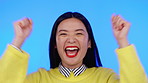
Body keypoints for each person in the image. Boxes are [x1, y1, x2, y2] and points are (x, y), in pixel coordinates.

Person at [0, 12, 147, 83]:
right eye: (63, 34)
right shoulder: (39, 79)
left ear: (89, 43)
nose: (71, 39)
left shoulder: (105, 78)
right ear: (55, 44)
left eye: (79, 33)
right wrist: (18, 40)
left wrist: (122, 41)